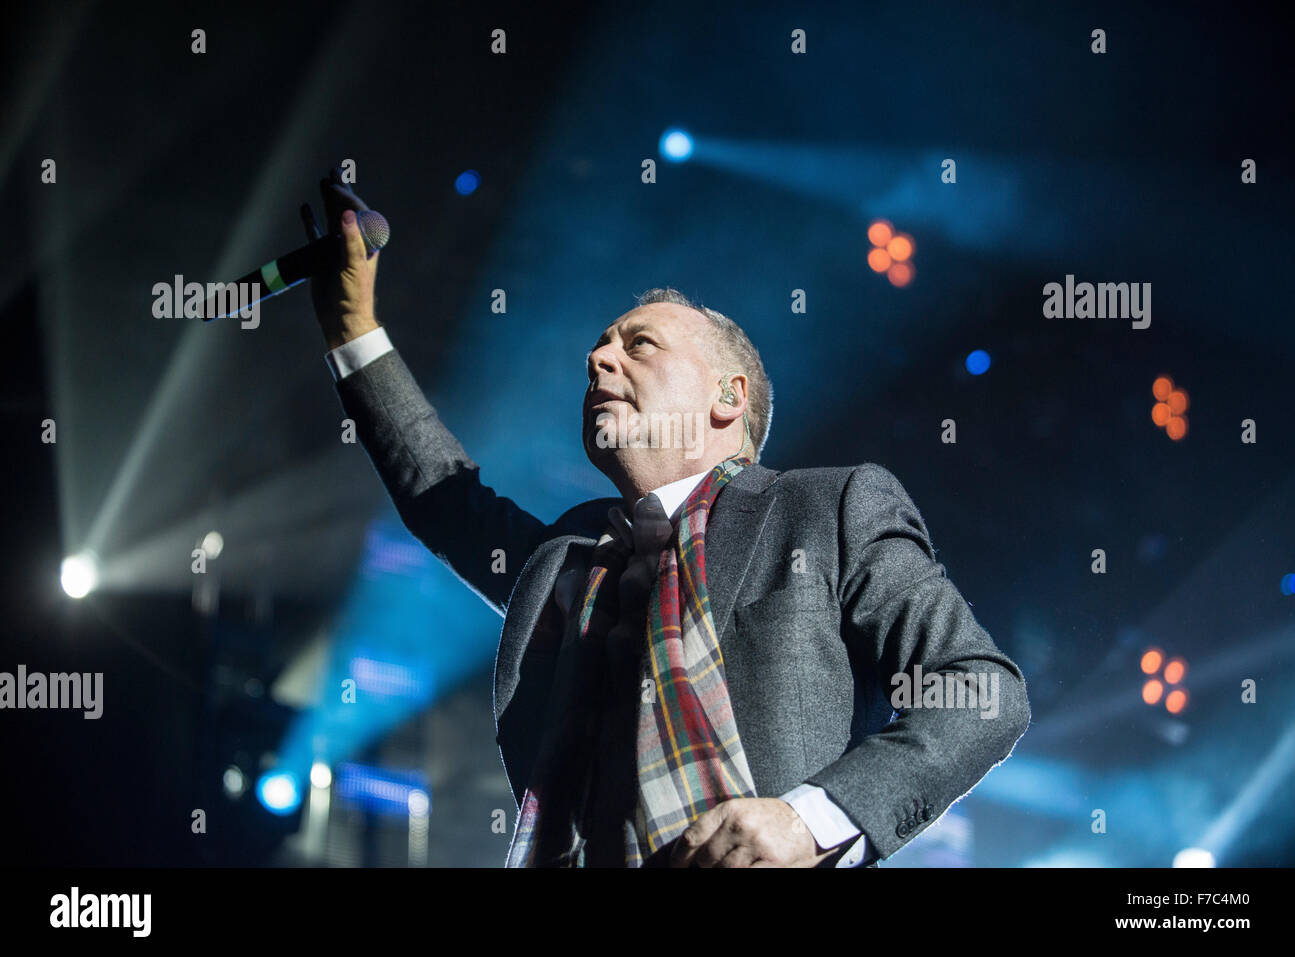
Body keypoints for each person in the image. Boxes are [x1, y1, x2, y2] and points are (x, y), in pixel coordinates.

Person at [301, 169, 1030, 867]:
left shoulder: (826, 509)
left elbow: (981, 688)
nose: (598, 359)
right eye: (599, 347)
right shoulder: (567, 559)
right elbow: (440, 491)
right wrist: (350, 326)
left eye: (637, 342)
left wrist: (809, 820)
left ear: (727, 396)